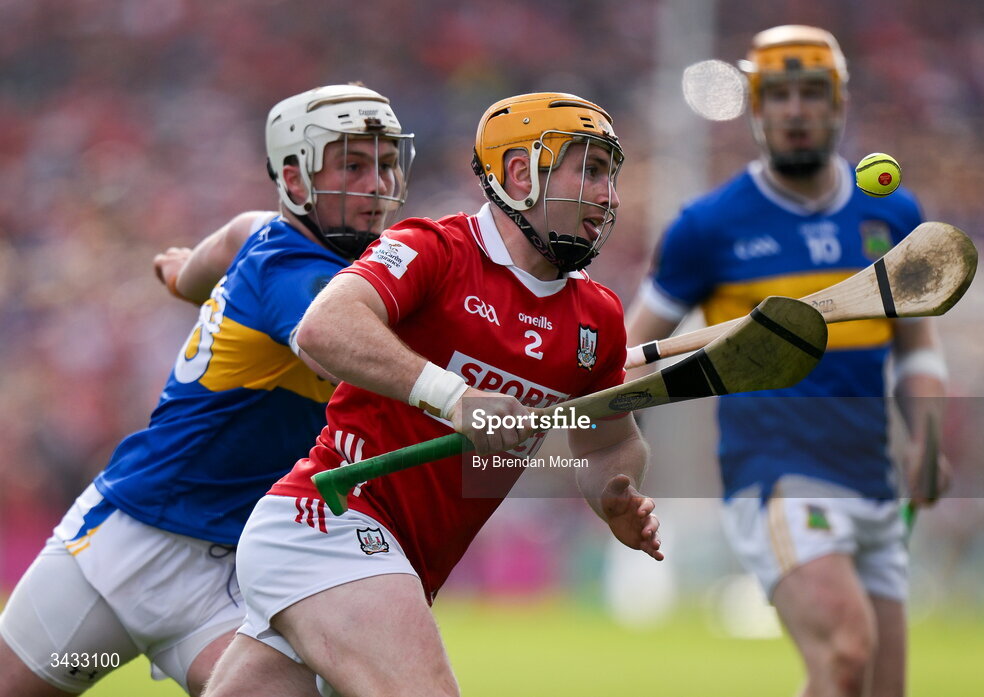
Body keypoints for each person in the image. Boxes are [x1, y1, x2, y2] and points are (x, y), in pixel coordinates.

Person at [201, 92, 664, 697]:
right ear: (521, 174)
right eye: (591, 171)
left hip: (401, 563)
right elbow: (323, 326)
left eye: (611, 176)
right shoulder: (435, 249)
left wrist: (616, 495)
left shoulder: (596, 316)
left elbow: (608, 442)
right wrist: (456, 398)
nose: (609, 196)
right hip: (332, 518)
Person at [0, 83, 415, 697]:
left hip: (225, 582)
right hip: (121, 549)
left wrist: (182, 277)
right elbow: (335, 343)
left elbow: (230, 237)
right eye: (353, 165)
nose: (378, 186)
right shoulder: (303, 281)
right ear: (296, 180)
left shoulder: (262, 235)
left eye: (385, 164)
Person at [627, 25, 949, 697]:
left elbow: (917, 345)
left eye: (811, 93)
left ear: (838, 104)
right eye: (778, 95)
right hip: (776, 474)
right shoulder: (708, 226)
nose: (795, 110)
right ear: (756, 109)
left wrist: (926, 433)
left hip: (872, 477)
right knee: (845, 652)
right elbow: (635, 353)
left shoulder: (890, 214)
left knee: (874, 687)